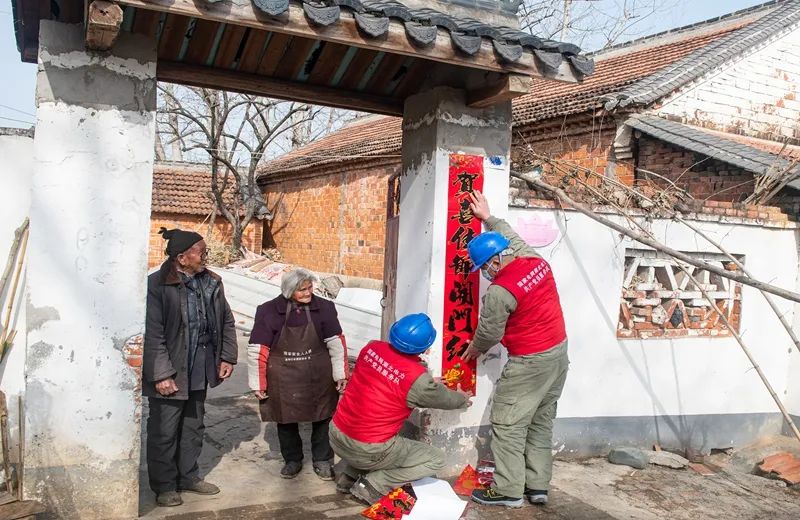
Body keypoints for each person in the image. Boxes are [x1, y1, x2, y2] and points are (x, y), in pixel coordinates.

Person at [461, 191, 569, 508]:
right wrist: (488, 218)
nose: (485, 273)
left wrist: (474, 349)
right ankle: (537, 486)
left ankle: (508, 490)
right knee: (540, 421)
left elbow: (489, 332)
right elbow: (511, 236)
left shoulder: (499, 291)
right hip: (558, 355)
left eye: (484, 267)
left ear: (495, 261)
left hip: (530, 362)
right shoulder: (535, 261)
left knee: (508, 424)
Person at [329, 313, 471, 505]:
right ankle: (373, 484)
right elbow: (445, 399)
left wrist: (425, 383)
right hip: (368, 449)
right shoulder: (417, 379)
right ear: (426, 346)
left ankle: (349, 477)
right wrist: (462, 399)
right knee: (436, 459)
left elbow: (389, 376)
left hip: (337, 433)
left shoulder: (371, 348)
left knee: (371, 429)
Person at [143, 228, 238, 507]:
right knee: (164, 431)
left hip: (200, 367)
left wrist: (227, 357)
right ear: (182, 258)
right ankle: (164, 486)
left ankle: (188, 477)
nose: (205, 256)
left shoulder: (212, 282)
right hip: (171, 370)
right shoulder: (157, 285)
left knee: (193, 426)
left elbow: (226, 321)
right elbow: (153, 334)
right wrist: (161, 374)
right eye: (201, 252)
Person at [248, 268, 348, 481]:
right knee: (285, 419)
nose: (308, 293)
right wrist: (258, 383)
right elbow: (258, 349)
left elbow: (336, 343)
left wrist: (340, 374)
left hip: (318, 376)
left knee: (322, 417)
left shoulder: (324, 308)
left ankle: (323, 460)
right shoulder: (269, 311)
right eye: (302, 290)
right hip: (283, 377)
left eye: (310, 288)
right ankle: (292, 460)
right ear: (288, 290)